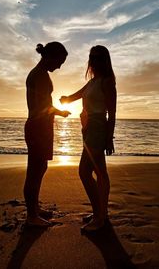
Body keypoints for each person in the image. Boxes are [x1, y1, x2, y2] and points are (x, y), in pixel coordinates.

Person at [60, 45, 116, 232]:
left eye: (99, 57)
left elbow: (112, 113)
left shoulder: (107, 82)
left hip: (98, 127)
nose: (94, 60)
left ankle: (100, 216)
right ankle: (101, 214)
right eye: (92, 57)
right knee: (100, 171)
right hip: (88, 128)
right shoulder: (93, 82)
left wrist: (109, 138)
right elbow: (78, 94)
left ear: (105, 60)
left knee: (85, 172)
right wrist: (66, 99)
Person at [24, 42, 71, 227]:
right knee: (34, 171)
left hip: (40, 127)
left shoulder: (40, 74)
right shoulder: (40, 76)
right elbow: (42, 107)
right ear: (49, 56)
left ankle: (34, 209)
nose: (59, 66)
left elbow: (44, 106)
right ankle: (31, 217)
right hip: (38, 127)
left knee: (40, 167)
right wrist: (59, 112)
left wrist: (59, 112)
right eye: (59, 61)